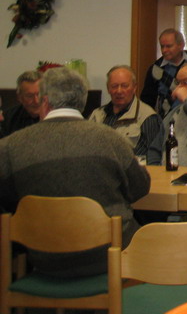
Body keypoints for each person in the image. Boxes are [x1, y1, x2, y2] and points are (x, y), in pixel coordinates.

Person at [0, 67, 150, 277]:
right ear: (82, 101)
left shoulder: (10, 146)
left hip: (44, 258)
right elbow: (139, 187)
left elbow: (8, 198)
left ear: (45, 101)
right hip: (108, 255)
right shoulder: (111, 139)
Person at [89, 65, 161, 159]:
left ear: (134, 88)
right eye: (114, 86)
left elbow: (153, 156)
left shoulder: (147, 117)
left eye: (124, 86)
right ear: (108, 89)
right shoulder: (97, 114)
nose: (119, 91)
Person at [0, 70, 43, 138]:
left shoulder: (56, 116)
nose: (36, 101)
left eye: (39, 94)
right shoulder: (8, 119)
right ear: (19, 97)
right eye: (29, 96)